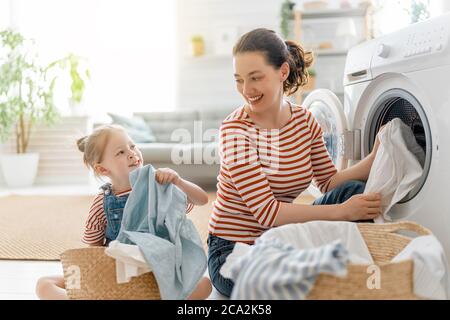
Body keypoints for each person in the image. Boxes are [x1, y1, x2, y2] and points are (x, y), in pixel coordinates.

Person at [207, 28, 383, 297]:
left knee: (353, 191)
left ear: (283, 72)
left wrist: (374, 158)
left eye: (255, 78)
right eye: (239, 80)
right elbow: (267, 213)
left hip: (283, 237)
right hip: (234, 250)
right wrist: (342, 212)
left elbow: (327, 183)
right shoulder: (235, 130)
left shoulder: (304, 121)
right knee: (289, 284)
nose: (246, 90)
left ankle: (374, 264)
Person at [36, 124, 212, 300]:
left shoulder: (159, 186)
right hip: (116, 274)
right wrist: (96, 278)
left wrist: (178, 181)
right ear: (103, 169)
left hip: (156, 273)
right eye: (120, 152)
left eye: (133, 146)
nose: (131, 153)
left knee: (204, 284)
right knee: (44, 284)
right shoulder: (102, 202)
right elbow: (93, 247)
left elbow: (201, 199)